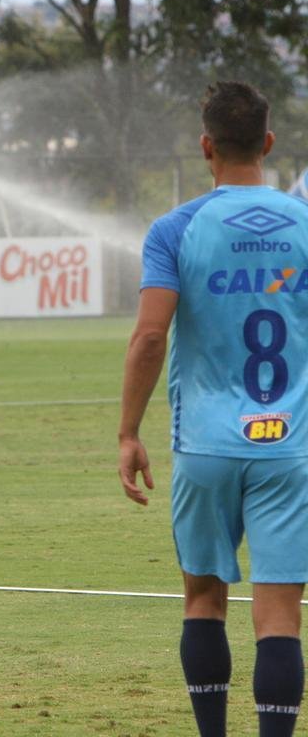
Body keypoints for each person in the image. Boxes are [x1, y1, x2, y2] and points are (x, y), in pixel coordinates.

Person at [119, 81, 308, 737]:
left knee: (203, 600)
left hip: (204, 445)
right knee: (280, 615)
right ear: (269, 143)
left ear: (206, 147)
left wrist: (127, 432)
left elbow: (150, 336)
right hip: (290, 445)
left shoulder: (176, 228)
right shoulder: (305, 223)